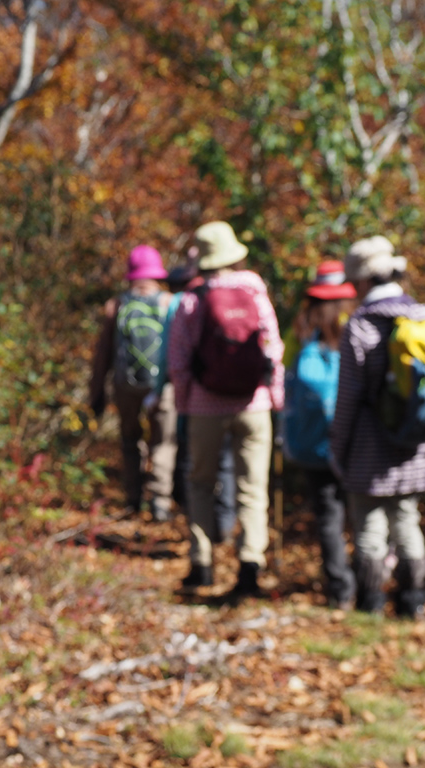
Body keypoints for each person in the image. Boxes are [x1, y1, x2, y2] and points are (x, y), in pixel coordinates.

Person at [168, 221, 285, 595]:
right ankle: (251, 562)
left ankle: (201, 562)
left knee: (200, 484)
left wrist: (185, 405)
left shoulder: (191, 299)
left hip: (205, 405)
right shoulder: (255, 291)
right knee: (253, 488)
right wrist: (276, 397)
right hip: (254, 404)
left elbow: (178, 359)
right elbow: (273, 349)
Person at [330, 236, 425, 617]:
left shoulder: (359, 326)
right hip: (414, 442)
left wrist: (337, 448)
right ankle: (413, 603)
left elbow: (347, 400)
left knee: (370, 525)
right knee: (407, 520)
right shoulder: (424, 316)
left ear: (359, 282)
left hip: (368, 445)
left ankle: (371, 604)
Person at [283, 260, 357, 608]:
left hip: (313, 442)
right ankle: (370, 578)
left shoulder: (301, 328)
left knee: (328, 516)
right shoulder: (355, 324)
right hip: (353, 438)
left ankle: (339, 588)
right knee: (359, 512)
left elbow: (283, 373)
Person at [89, 245, 177, 520]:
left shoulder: (116, 305)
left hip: (125, 384)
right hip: (161, 385)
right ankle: (160, 500)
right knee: (163, 441)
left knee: (130, 438)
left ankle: (133, 497)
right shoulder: (168, 303)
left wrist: (96, 390)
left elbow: (103, 352)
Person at [151, 264, 238, 537]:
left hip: (199, 399)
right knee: (231, 467)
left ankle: (200, 549)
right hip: (245, 399)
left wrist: (178, 399)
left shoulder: (183, 302)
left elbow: (171, 357)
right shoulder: (247, 291)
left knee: (196, 472)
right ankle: (230, 531)